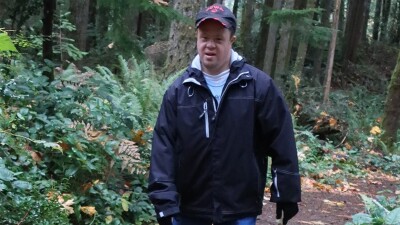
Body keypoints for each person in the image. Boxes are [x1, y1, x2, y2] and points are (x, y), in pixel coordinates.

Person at [148, 3, 301, 225]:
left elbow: (281, 139)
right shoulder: (179, 91)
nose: (209, 45)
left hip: (239, 207)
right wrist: (164, 201)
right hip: (189, 208)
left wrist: (286, 191)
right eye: (204, 38)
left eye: (218, 39)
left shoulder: (258, 86)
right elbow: (164, 149)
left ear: (232, 40)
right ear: (197, 39)